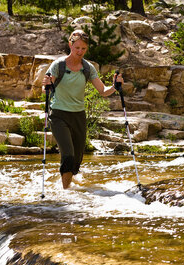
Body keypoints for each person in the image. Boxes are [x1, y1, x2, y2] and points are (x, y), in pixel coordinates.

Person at [42, 29, 123, 189]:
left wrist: (115, 86)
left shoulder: (88, 68)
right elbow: (46, 88)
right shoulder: (58, 65)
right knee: (68, 155)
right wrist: (47, 86)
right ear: (70, 45)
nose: (80, 52)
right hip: (59, 114)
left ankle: (67, 184)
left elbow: (103, 91)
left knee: (77, 159)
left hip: (78, 116)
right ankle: (66, 192)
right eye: (77, 47)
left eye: (83, 49)